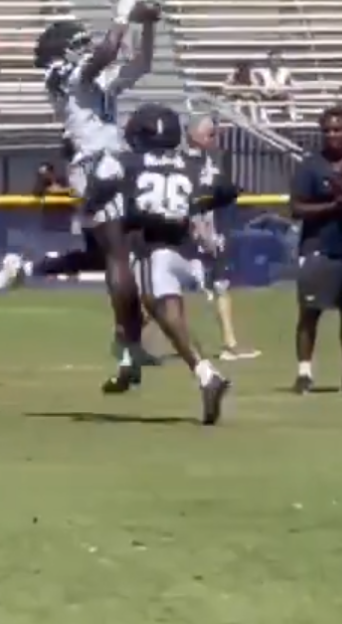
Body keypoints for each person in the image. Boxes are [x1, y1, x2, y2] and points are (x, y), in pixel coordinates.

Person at [0, 0, 162, 387]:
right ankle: (129, 348)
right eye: (78, 43)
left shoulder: (93, 82)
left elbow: (142, 63)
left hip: (112, 165)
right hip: (95, 168)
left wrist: (149, 25)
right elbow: (106, 51)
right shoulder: (58, 76)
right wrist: (124, 10)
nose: (86, 47)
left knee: (108, 259)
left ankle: (26, 268)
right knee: (120, 257)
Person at [80, 104, 238, 423]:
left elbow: (94, 194)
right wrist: (196, 202)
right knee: (157, 310)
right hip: (192, 250)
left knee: (159, 309)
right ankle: (136, 363)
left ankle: (207, 375)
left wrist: (112, 206)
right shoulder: (192, 161)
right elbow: (227, 190)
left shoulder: (125, 161)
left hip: (155, 246)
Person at [290, 107, 342, 395]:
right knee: (310, 312)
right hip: (320, 246)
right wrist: (332, 207)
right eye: (327, 130)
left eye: (338, 129)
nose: (333, 135)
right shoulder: (311, 165)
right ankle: (304, 374)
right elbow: (296, 207)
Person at [182, 115, 258, 362]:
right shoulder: (181, 163)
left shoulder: (214, 159)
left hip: (213, 232)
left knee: (221, 285)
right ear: (193, 135)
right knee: (166, 290)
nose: (214, 139)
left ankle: (230, 343)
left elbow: (222, 192)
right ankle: (130, 340)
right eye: (209, 134)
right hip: (186, 235)